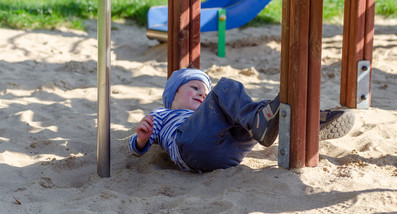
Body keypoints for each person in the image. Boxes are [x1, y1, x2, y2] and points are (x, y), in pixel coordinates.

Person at [128, 68, 354, 172]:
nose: (202, 93)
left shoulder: (210, 112)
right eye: (193, 87)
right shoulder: (163, 114)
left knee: (260, 111)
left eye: (205, 91)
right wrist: (141, 139)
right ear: (172, 95)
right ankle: (280, 120)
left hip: (228, 154)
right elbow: (136, 149)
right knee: (227, 87)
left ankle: (302, 123)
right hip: (191, 145)